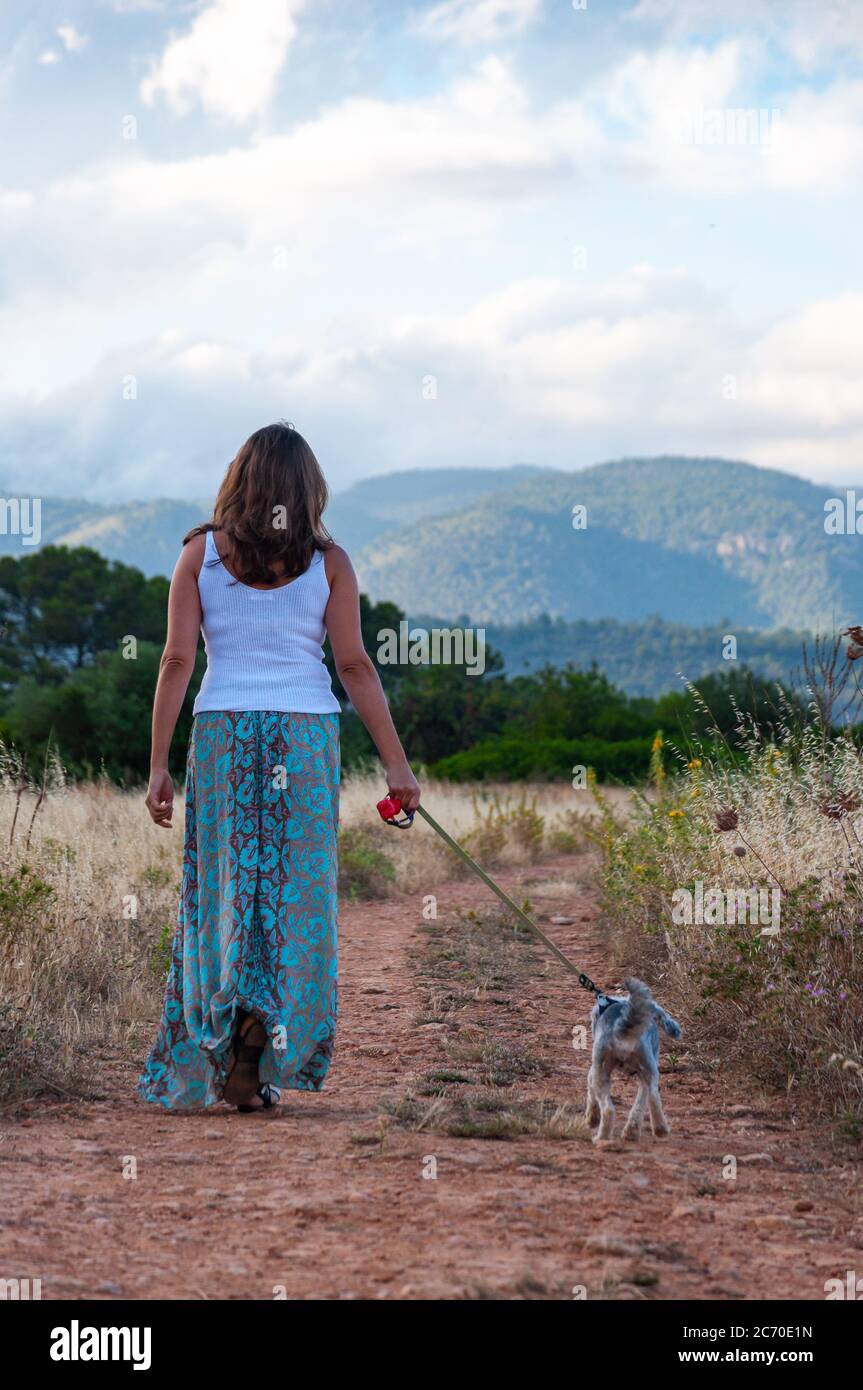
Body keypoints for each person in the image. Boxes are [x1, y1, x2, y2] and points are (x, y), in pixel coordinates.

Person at [138, 422, 420, 1112]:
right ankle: (266, 1044)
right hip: (303, 738)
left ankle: (223, 1042)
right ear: (306, 488)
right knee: (295, 903)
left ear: (240, 480)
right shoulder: (330, 563)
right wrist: (397, 769)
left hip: (223, 736)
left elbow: (177, 661)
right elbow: (352, 666)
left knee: (225, 897)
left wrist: (158, 767)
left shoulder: (200, 555)